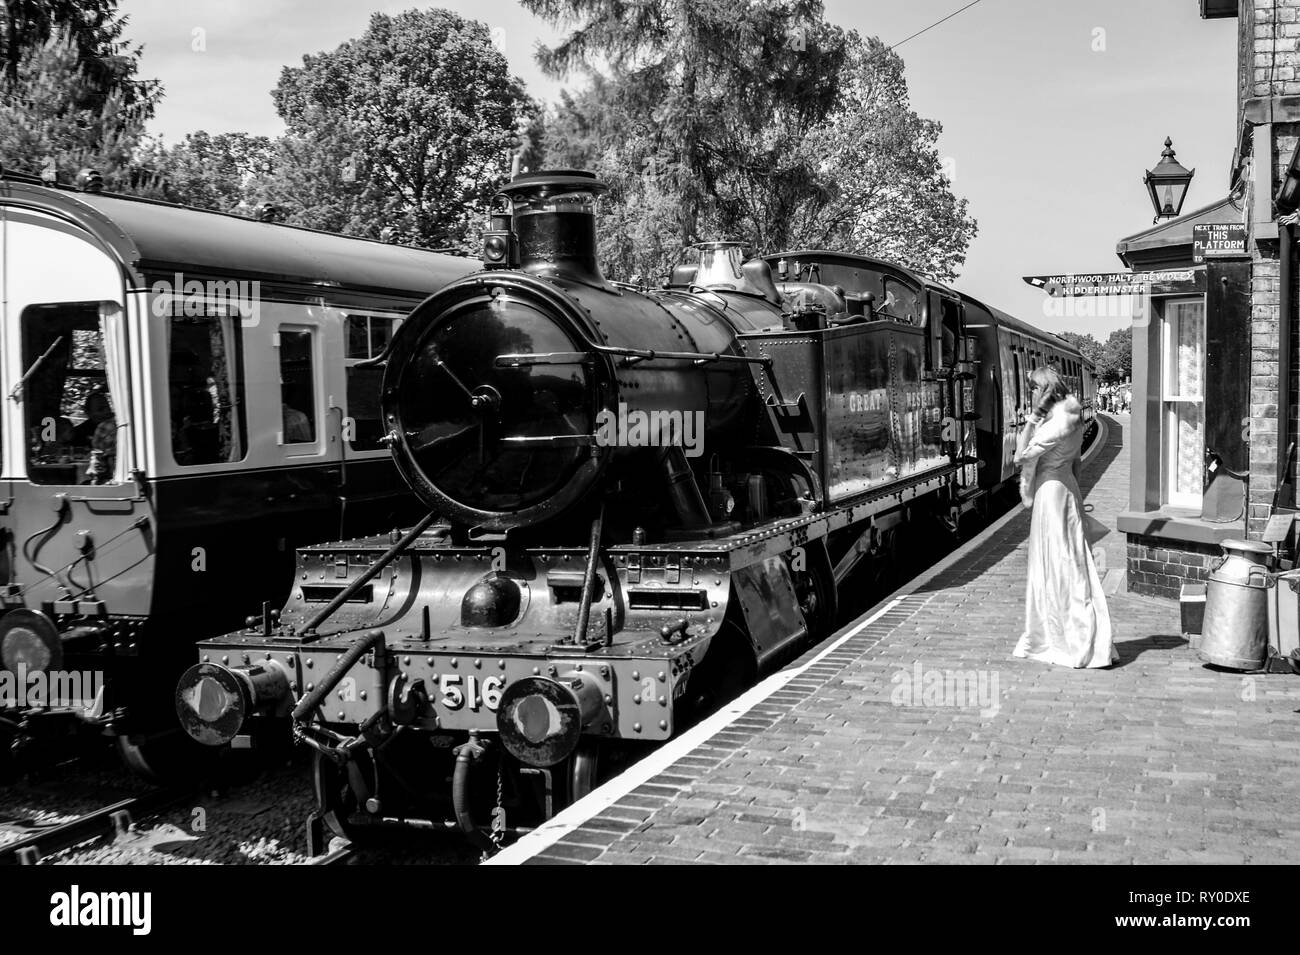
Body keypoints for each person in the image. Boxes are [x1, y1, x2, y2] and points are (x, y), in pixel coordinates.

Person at [1012, 366, 1116, 669]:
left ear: (1044, 390)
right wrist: (1078, 499)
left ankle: (1067, 639)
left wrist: (1030, 422)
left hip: (1051, 492)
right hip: (1066, 490)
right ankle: (1077, 634)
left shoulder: (1053, 423)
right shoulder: (1071, 418)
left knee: (1056, 564)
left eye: (1033, 388)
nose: (1030, 392)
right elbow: (1077, 464)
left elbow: (1019, 456)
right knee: (1073, 560)